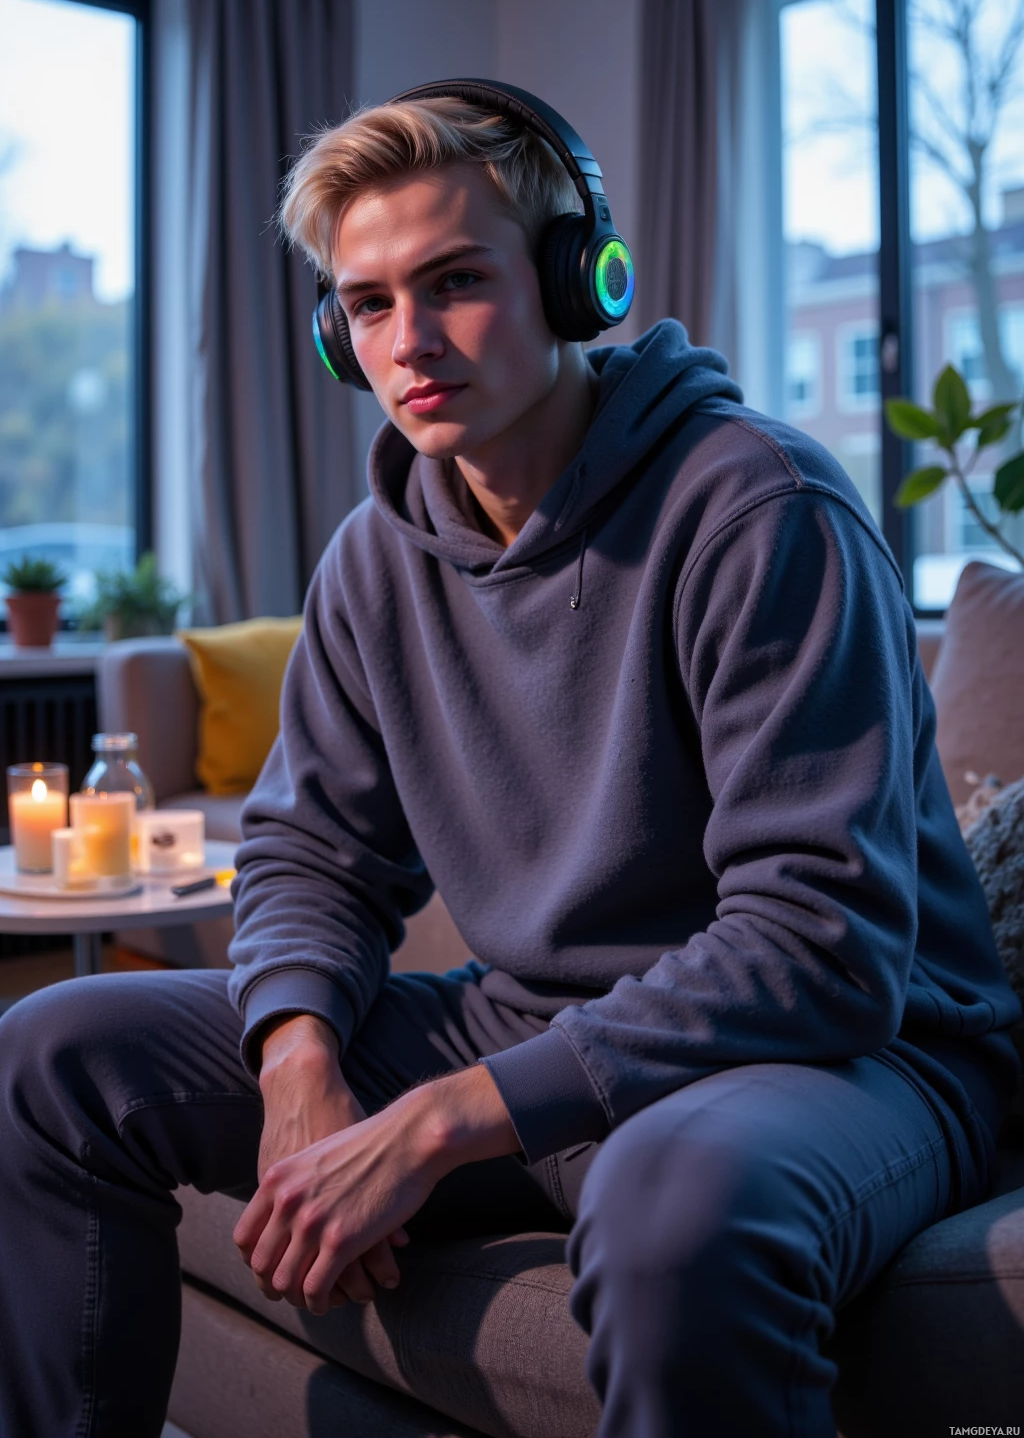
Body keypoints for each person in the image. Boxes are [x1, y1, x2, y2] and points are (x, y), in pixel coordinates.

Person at [0, 83, 1021, 1438]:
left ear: (577, 279)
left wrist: (437, 1123)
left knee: (674, 1215)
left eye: (458, 282)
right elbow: (312, 851)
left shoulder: (762, 509)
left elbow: (818, 943)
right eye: (368, 304)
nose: (410, 341)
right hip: (532, 1025)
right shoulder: (375, 559)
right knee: (55, 1052)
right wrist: (300, 1065)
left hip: (846, 1056)